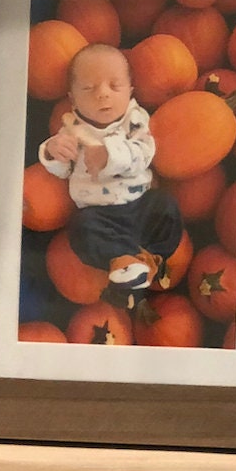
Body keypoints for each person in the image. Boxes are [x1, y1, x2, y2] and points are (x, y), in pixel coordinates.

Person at [37, 43, 183, 302]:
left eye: (114, 86)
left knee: (166, 206)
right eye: (88, 88)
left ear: (130, 92)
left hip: (140, 205)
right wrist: (52, 151)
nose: (102, 94)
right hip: (99, 215)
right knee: (81, 228)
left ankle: (152, 259)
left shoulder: (135, 120)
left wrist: (110, 155)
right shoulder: (72, 128)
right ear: (72, 98)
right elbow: (62, 171)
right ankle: (125, 260)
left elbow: (144, 153)